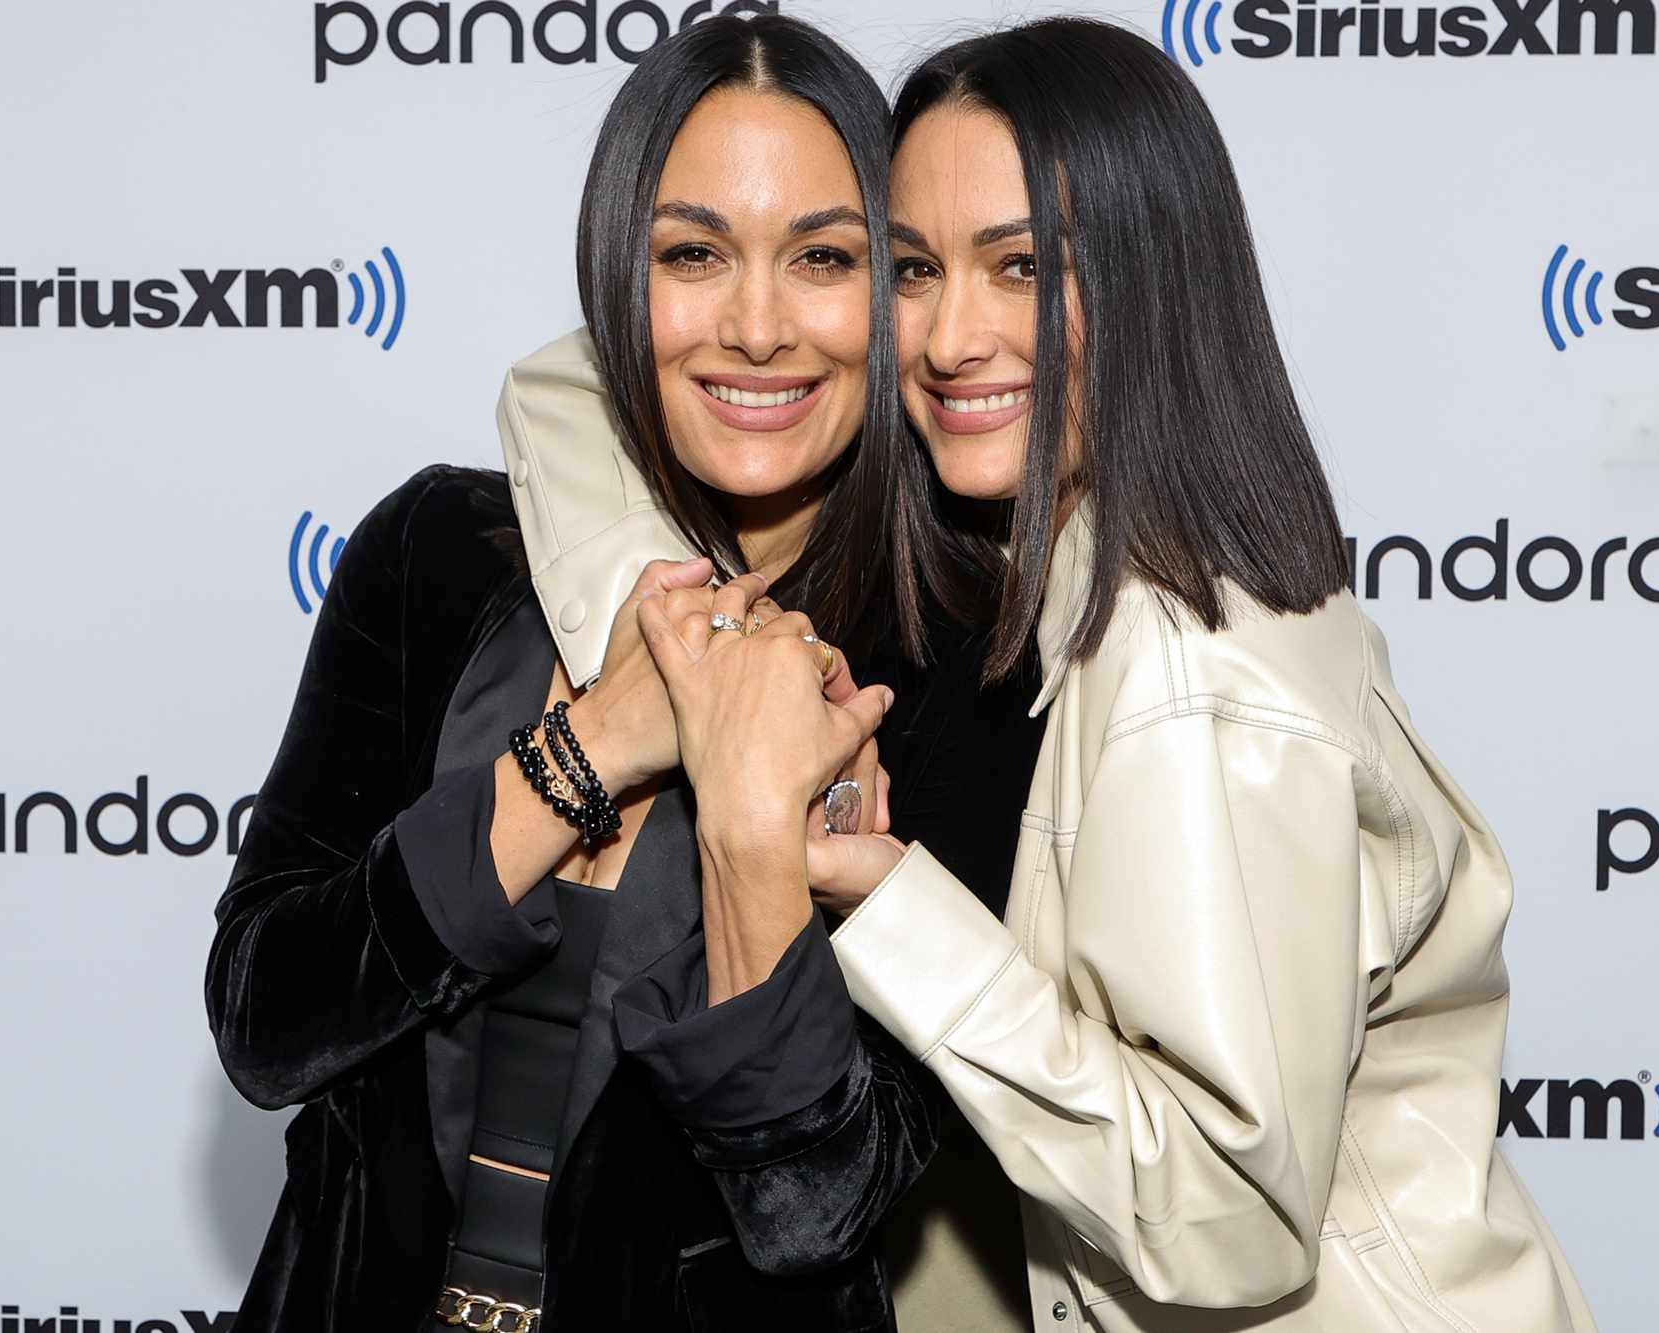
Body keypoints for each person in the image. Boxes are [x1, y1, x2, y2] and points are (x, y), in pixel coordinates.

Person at [635, 18, 1599, 1333]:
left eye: (1023, 267)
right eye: (912, 269)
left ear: (1158, 275)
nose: (950, 337)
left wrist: (906, 910)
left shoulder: (1181, 665)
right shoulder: (1122, 574)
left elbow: (1227, 1220)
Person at [204, 15, 1040, 1331]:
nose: (757, 327)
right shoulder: (437, 555)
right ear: (614, 271)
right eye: (694, 253)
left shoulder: (955, 656)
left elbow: (820, 1206)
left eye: (823, 257)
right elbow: (266, 1022)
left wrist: (760, 837)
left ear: (892, 292)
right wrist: (599, 745)